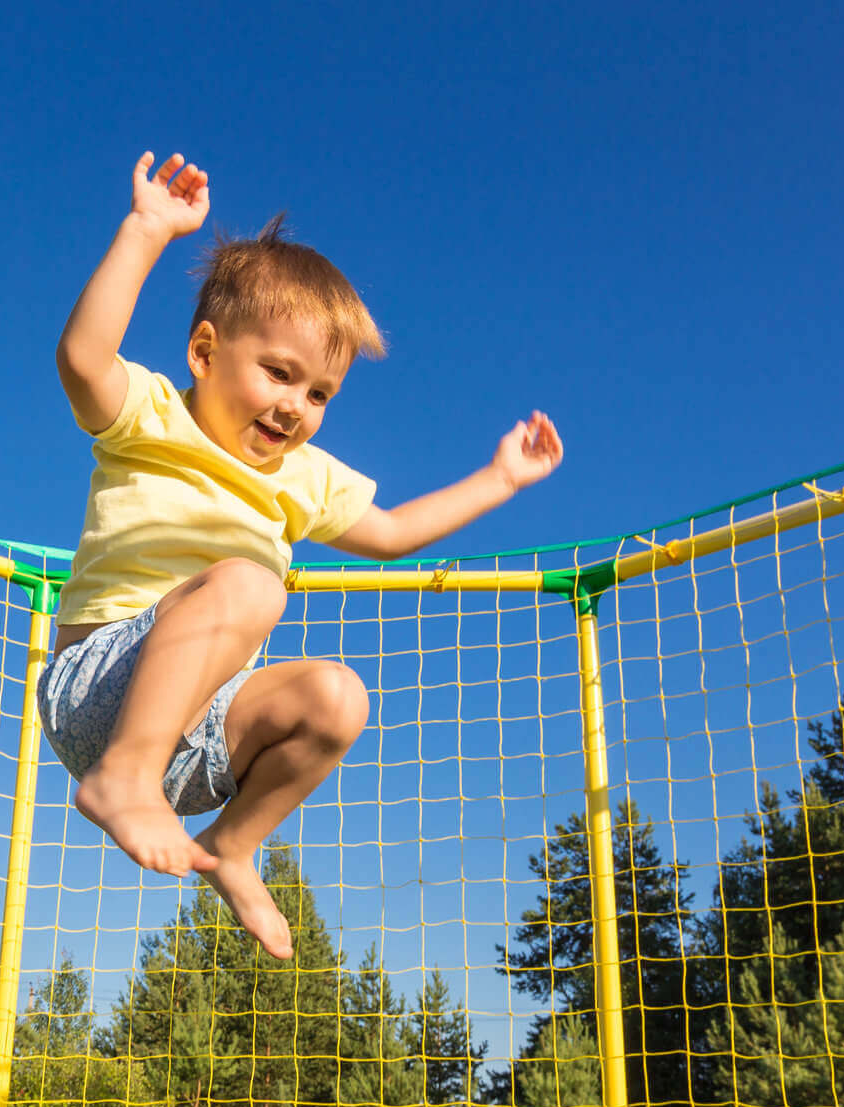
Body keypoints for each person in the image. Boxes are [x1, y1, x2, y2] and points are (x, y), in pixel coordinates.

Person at [41, 151, 563, 961]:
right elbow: (81, 358)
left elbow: (391, 534)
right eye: (278, 374)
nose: (296, 406)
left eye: (319, 393)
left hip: (206, 733)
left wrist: (500, 478)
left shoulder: (304, 476)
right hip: (97, 691)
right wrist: (147, 231)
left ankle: (232, 846)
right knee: (253, 585)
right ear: (205, 353)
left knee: (337, 696)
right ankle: (123, 778)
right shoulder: (150, 414)